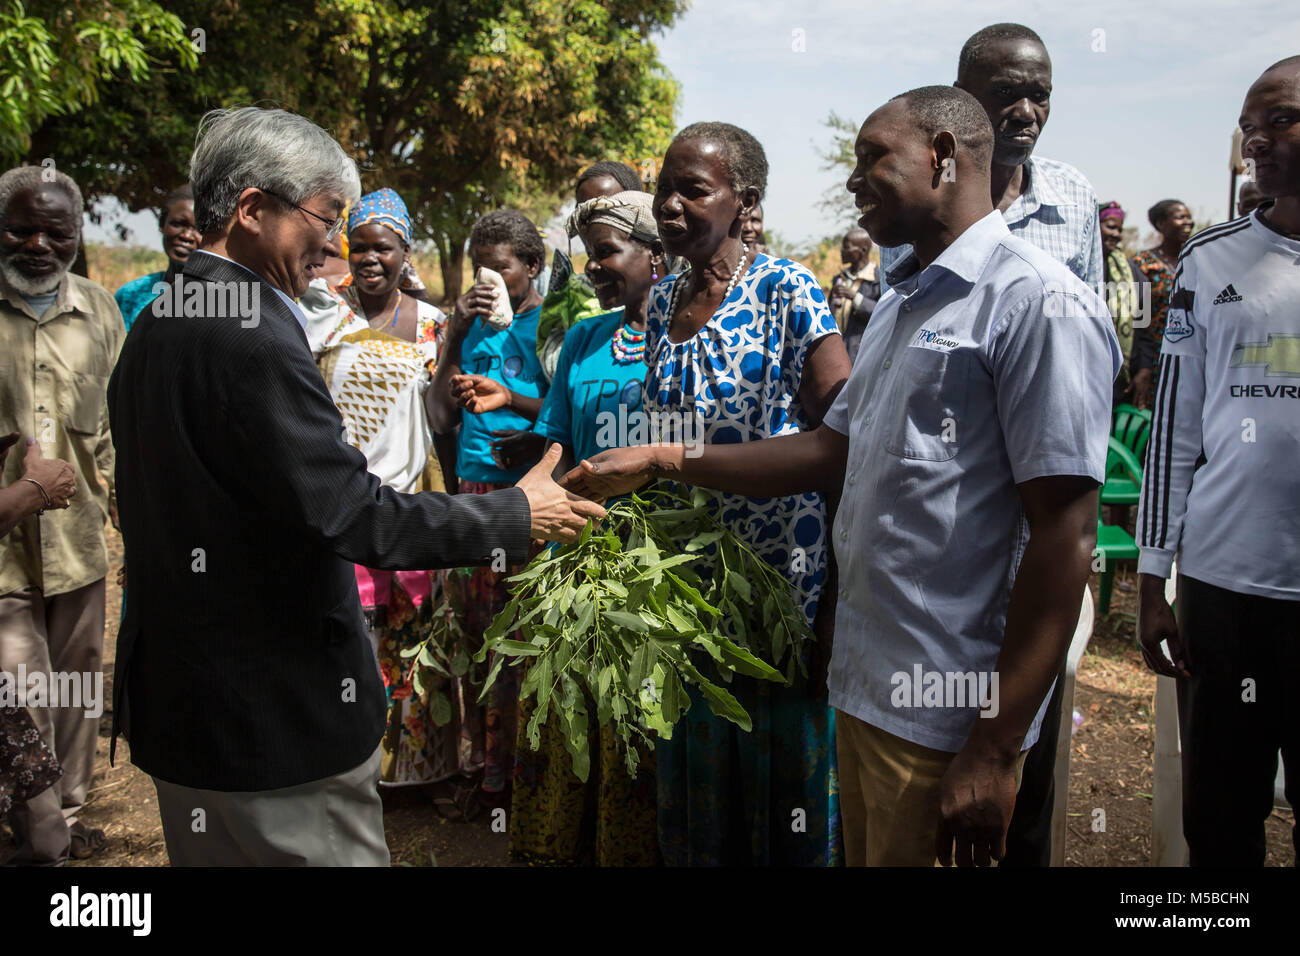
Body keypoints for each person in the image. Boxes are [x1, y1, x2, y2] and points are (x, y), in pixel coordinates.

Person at [565, 87, 1119, 868]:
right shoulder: (900, 306)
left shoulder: (1037, 304)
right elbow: (829, 452)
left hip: (946, 709)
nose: (853, 181)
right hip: (867, 689)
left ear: (942, 157)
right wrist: (661, 459)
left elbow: (1065, 533)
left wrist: (994, 746)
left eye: (871, 160)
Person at [107, 107, 603, 866]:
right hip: (274, 724)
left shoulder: (160, 317)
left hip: (187, 713)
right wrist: (515, 511)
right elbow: (351, 513)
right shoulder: (252, 333)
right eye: (327, 218)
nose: (336, 247)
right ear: (251, 209)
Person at [577, 121, 850, 866]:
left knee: (780, 797)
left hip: (779, 594)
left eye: (692, 190)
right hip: (688, 597)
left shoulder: (786, 289)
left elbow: (837, 452)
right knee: (702, 794)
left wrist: (832, 604)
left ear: (744, 202)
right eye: (664, 187)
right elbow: (669, 438)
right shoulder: (663, 304)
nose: (669, 204)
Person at [1136, 57, 1300, 867]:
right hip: (1224, 591)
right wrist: (1151, 578)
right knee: (1222, 820)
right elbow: (1173, 430)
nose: (1256, 142)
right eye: (1249, 126)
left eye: (1280, 120)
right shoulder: (1210, 261)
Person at [507, 190, 669, 865]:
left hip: (661, 563)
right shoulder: (584, 336)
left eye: (607, 252)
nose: (594, 267)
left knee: (633, 715)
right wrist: (526, 517)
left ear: (655, 256)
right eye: (589, 254)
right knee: (565, 708)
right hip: (576, 549)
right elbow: (556, 444)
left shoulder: (683, 337)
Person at [297, 187, 460, 790]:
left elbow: (442, 422)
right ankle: (350, 769)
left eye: (382, 249)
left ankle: (418, 774)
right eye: (358, 247)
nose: (369, 259)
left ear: (404, 252)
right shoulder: (319, 312)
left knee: (416, 638)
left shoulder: (435, 326)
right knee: (349, 635)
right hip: (337, 495)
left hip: (411, 497)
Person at [0, 166, 123, 864]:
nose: (39, 244)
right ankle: (39, 835)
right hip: (4, 550)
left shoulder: (101, 312)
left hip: (78, 545)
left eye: (57, 232)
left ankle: (68, 822)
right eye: (21, 229)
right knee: (19, 692)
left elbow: (115, 431)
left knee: (77, 691)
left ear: (77, 236)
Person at [428, 208, 551, 805]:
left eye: (501, 268)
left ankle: (522, 779)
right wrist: (454, 333)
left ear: (531, 266)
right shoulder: (473, 328)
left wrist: (513, 404)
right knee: (476, 640)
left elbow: (559, 413)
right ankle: (482, 770)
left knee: (523, 642)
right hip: (473, 498)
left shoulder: (551, 329)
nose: (489, 281)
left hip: (527, 501)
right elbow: (438, 417)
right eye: (482, 269)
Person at [880, 24, 1102, 298]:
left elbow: (1088, 316)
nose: (1025, 113)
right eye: (1005, 93)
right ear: (961, 98)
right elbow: (894, 315)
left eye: (1040, 96)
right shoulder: (916, 196)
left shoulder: (1073, 196)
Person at [0, 435, 74, 852]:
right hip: (11, 574)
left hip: (74, 558)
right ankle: (45, 848)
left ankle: (63, 827)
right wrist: (34, 490)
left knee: (73, 693)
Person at [536, 161, 645, 383]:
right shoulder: (571, 290)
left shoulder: (675, 286)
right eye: (583, 210)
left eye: (605, 207)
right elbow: (549, 354)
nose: (590, 218)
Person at [113, 185, 199, 331]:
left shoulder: (227, 303)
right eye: (177, 224)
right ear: (162, 224)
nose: (186, 236)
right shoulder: (131, 296)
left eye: (199, 229)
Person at [1098, 201, 1156, 409]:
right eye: (1110, 227)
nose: (1116, 234)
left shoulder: (1132, 273)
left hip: (1122, 381)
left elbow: (1143, 328)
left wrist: (1144, 369)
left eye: (1119, 229)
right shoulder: (1078, 269)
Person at [1133, 198, 1195, 366]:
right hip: (1153, 357)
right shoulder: (1143, 263)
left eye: (1189, 217)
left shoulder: (1197, 260)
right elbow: (1137, 316)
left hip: (1191, 354)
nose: (1188, 222)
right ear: (1161, 223)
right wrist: (1142, 365)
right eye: (1181, 217)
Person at [828, 227, 880, 361]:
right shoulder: (840, 278)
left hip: (862, 353)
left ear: (863, 250)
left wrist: (855, 297)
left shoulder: (878, 279)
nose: (842, 251)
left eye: (847, 247)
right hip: (837, 350)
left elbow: (882, 312)